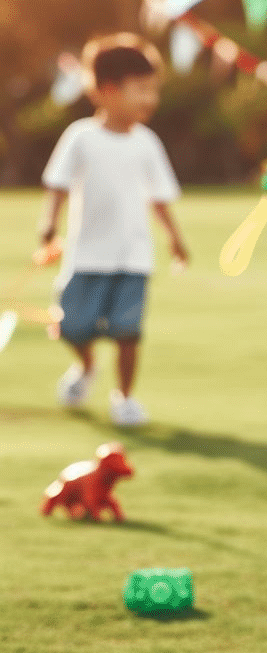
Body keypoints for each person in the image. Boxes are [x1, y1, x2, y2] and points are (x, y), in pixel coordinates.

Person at [39, 32, 188, 426]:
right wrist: (49, 226)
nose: (149, 99)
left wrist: (175, 238)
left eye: (152, 90)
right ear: (106, 91)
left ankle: (124, 397)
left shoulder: (147, 143)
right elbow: (58, 184)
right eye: (140, 90)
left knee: (128, 331)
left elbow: (160, 196)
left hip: (132, 257)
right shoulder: (81, 138)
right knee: (71, 326)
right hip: (86, 255)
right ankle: (87, 366)